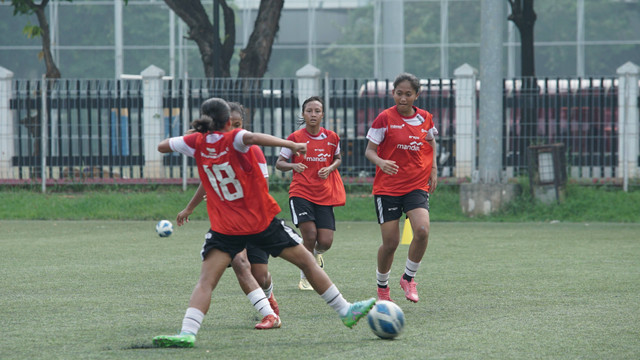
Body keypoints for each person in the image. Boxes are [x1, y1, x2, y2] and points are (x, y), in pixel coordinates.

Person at [153, 97, 375, 348]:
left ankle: (188, 332)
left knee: (206, 281)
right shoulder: (234, 138)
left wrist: (195, 133)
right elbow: (254, 138)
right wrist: (292, 144)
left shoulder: (197, 142)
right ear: (228, 122)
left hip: (224, 227)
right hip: (258, 221)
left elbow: (162, 147)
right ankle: (345, 311)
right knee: (306, 261)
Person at [176, 102, 280, 318]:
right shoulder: (215, 149)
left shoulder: (253, 151)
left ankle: (268, 293)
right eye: (228, 125)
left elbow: (264, 188)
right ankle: (268, 314)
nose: (232, 130)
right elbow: (206, 180)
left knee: (260, 276)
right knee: (240, 262)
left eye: (238, 125)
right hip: (229, 221)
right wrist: (189, 208)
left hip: (254, 219)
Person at [364, 73, 438, 303]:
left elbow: (431, 140)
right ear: (392, 93)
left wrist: (433, 168)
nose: (403, 98)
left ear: (417, 95)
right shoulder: (384, 118)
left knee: (422, 231)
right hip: (387, 189)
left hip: (416, 185)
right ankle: (382, 288)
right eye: (399, 93)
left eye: (408, 94)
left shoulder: (425, 118)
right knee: (391, 243)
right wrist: (381, 162)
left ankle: (408, 278)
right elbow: (369, 150)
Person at [275, 96, 346, 291]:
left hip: (324, 194)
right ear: (303, 114)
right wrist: (293, 165)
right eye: (309, 111)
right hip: (301, 192)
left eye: (317, 111)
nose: (313, 114)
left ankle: (315, 253)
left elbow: (338, 158)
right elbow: (279, 163)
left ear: (323, 114)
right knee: (310, 234)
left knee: (325, 241)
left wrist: (330, 168)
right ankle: (306, 275)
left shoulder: (332, 138)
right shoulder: (294, 138)